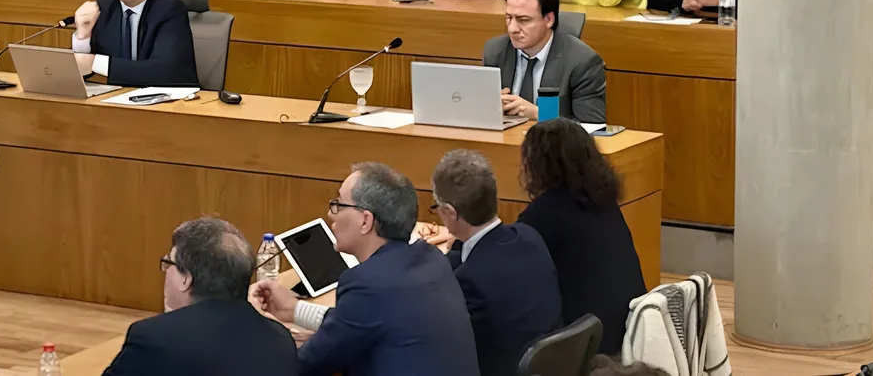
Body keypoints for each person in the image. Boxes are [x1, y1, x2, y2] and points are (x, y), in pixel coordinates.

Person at [248, 162, 477, 376]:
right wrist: (293, 309)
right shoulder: (430, 258)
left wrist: (261, 325)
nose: (331, 213)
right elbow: (354, 322)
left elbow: (302, 366)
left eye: (339, 204)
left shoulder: (368, 284)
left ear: (366, 221)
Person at [102, 217, 298, 376]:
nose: (166, 272)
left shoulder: (155, 338)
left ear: (186, 278)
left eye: (168, 264)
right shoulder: (280, 339)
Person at [517, 119, 647, 354]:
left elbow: (508, 256)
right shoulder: (602, 198)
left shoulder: (546, 212)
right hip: (631, 326)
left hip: (589, 341)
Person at [431, 149, 563, 376]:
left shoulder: (470, 281)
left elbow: (453, 349)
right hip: (553, 364)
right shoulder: (529, 236)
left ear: (450, 212)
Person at [484, 0, 607, 123]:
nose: (512, 28)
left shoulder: (582, 62)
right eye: (509, 18)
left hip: (555, 138)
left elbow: (592, 127)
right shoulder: (495, 51)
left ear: (549, 19)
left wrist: (540, 114)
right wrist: (490, 105)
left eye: (523, 19)